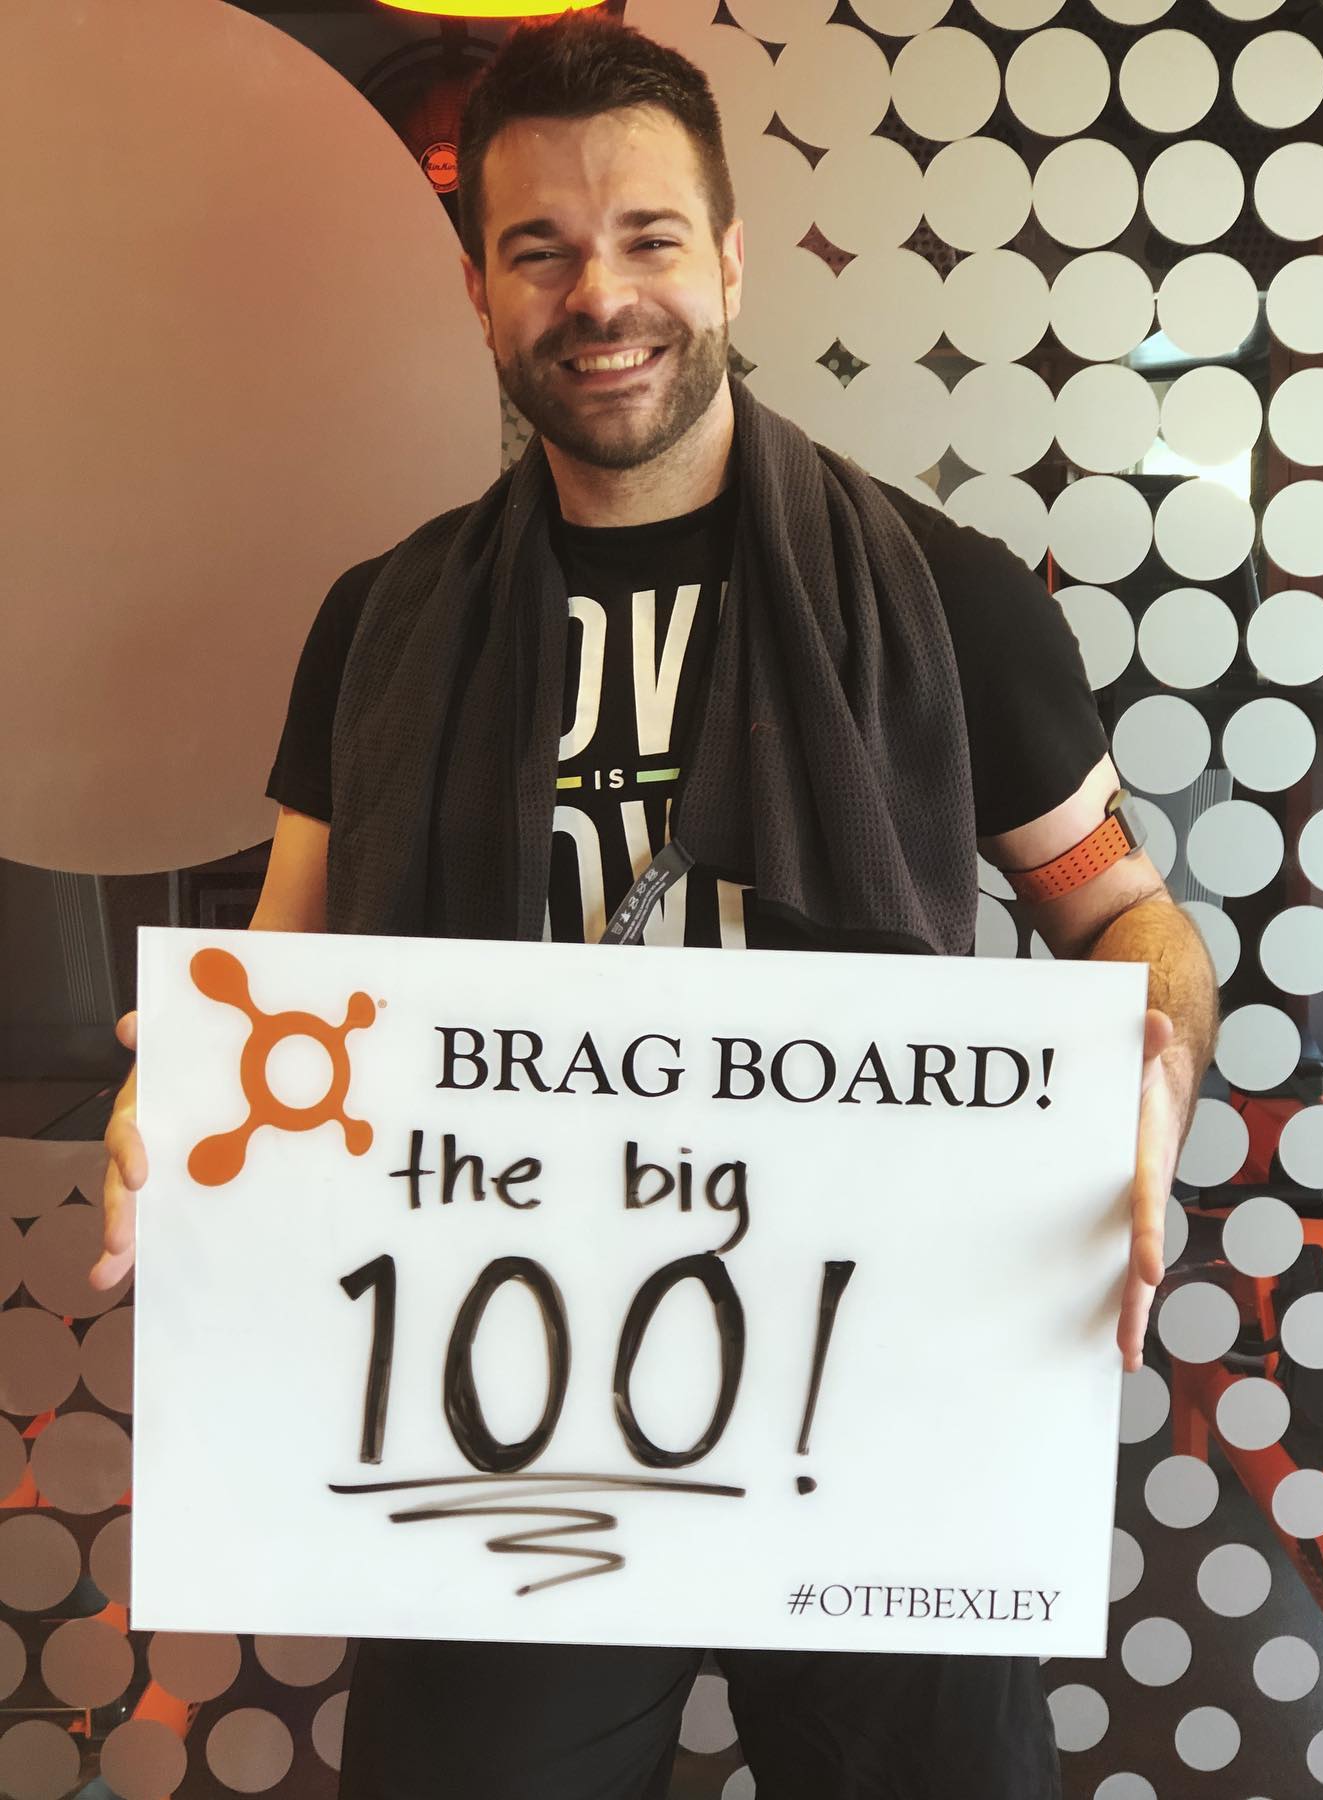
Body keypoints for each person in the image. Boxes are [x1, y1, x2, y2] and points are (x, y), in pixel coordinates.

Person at [92, 13, 1218, 1796]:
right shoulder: (382, 626)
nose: (599, 296)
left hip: (885, 1401)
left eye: (647, 238)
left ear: (731, 259)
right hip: (496, 1422)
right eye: (539, 250)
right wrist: (191, 1091)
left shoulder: (946, 598)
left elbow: (1121, 918)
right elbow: (285, 968)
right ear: (479, 294)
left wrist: (1152, 1070)